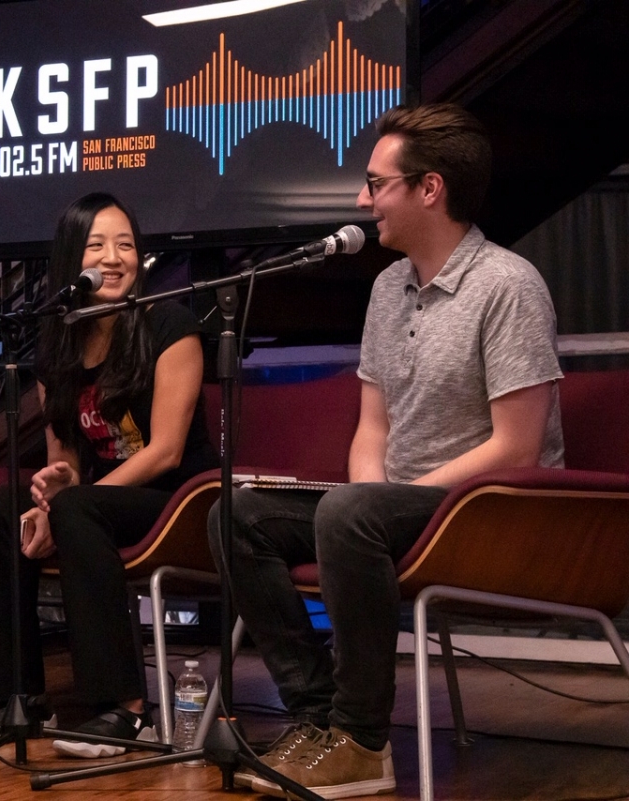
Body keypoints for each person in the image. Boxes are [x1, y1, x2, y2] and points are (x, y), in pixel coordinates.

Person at [209, 103, 564, 798]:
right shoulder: (385, 287)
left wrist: (385, 498)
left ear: (429, 189)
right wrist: (368, 491)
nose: (361, 200)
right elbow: (371, 427)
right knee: (235, 513)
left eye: (376, 183)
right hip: (394, 507)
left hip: (489, 508)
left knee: (351, 513)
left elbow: (517, 447)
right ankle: (320, 722)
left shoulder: (508, 285)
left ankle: (364, 743)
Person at [0, 192, 217, 758]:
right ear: (68, 261)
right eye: (97, 245)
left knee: (76, 510)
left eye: (125, 245)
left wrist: (69, 502)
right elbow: (70, 457)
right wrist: (56, 486)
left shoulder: (170, 325)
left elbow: (166, 452)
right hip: (102, 506)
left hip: (179, 501)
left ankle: (125, 710)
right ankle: (17, 697)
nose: (114, 258)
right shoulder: (56, 349)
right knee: (4, 509)